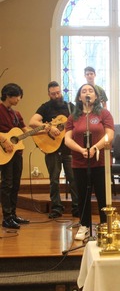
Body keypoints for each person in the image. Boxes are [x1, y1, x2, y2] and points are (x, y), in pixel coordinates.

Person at [65, 83, 114, 241]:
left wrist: (94, 148)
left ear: (96, 96)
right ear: (79, 97)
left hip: (100, 162)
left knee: (102, 195)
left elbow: (109, 135)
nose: (87, 93)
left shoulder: (104, 114)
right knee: (82, 195)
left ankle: (105, 225)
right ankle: (84, 225)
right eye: (84, 91)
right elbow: (67, 139)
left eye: (91, 91)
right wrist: (81, 150)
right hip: (80, 162)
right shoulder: (73, 117)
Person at [29, 81, 79, 218]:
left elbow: (78, 122)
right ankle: (56, 208)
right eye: (53, 94)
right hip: (51, 149)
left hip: (68, 149)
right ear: (49, 94)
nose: (57, 96)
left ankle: (77, 208)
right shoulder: (45, 107)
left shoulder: (70, 107)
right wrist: (50, 127)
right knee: (54, 180)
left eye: (58, 92)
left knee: (73, 179)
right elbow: (32, 122)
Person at [0, 83, 30, 229]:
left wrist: (43, 129)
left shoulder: (16, 114)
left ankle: (13, 214)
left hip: (17, 153)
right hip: (4, 153)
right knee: (7, 184)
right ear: (8, 95)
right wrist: (4, 140)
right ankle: (6, 217)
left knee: (16, 184)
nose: (19, 99)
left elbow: (26, 130)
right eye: (17, 96)